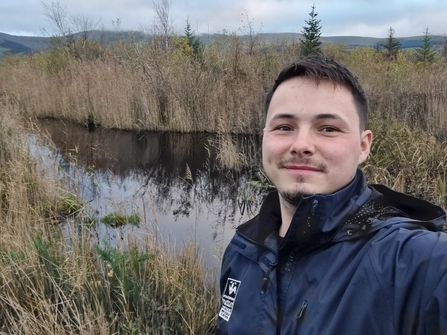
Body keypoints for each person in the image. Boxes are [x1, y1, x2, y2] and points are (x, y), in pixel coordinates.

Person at [216, 55, 447, 335]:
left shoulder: (415, 261)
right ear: (264, 138)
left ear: (363, 146)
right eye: (284, 127)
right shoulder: (243, 252)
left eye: (328, 129)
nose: (301, 145)